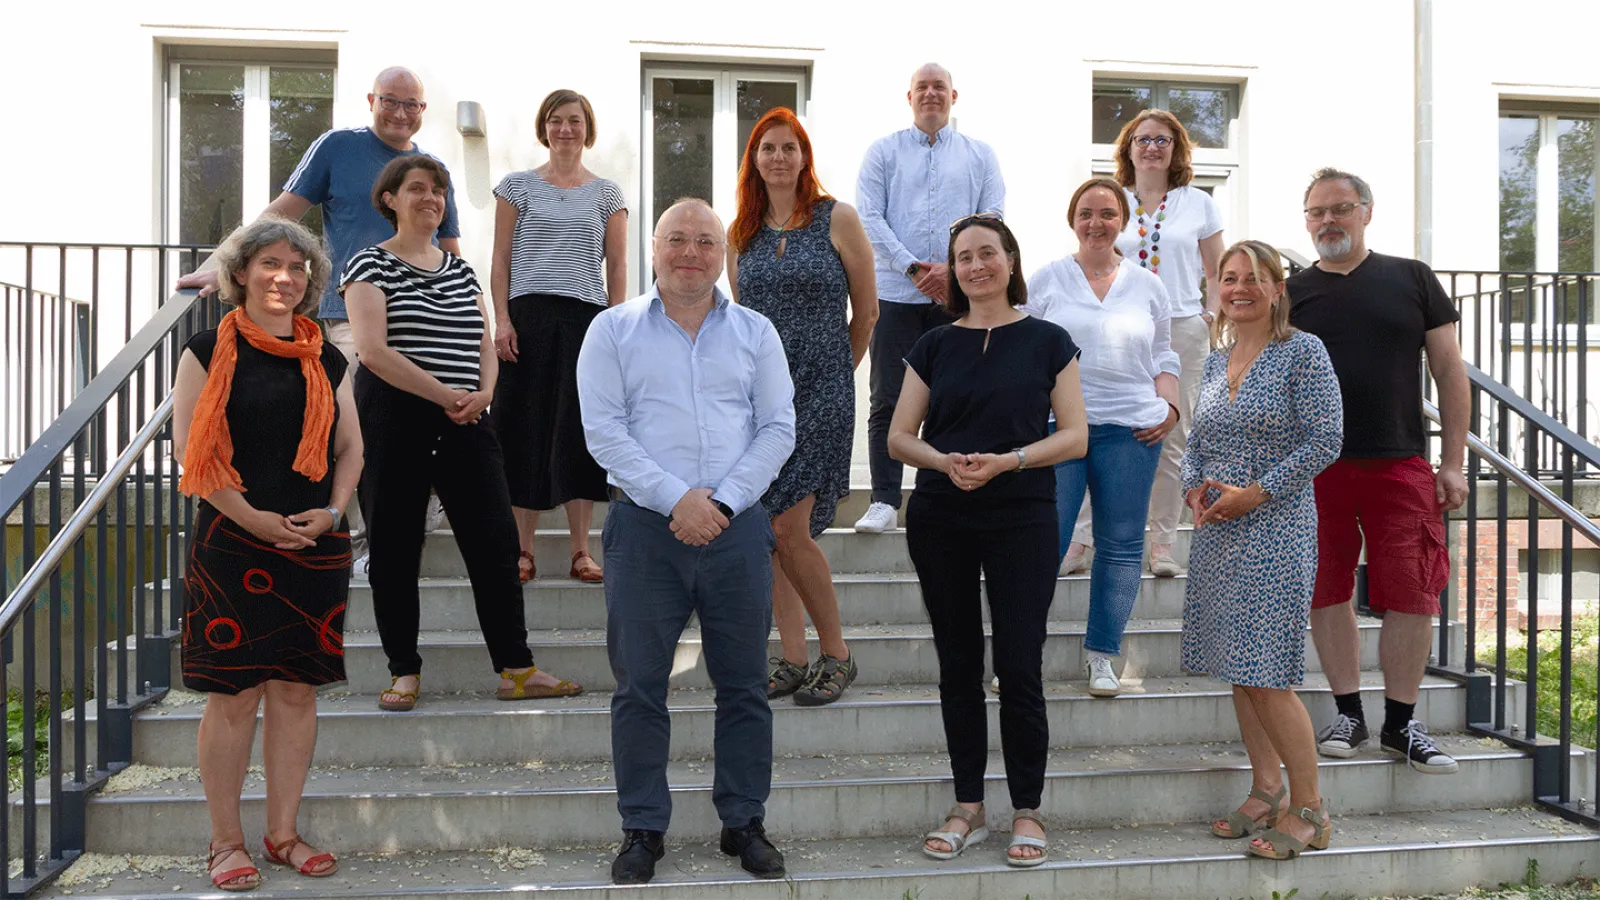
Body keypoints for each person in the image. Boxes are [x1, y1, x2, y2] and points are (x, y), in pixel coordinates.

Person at [577, 199, 796, 885]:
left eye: (705, 241)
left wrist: (722, 502)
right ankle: (643, 827)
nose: (691, 253)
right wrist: (679, 500)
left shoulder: (757, 333)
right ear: (653, 249)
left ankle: (743, 821)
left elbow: (778, 429)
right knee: (640, 687)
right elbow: (605, 432)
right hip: (645, 532)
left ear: (722, 254)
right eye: (676, 239)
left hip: (737, 530)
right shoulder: (610, 331)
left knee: (744, 687)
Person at [176, 65, 463, 561]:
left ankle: (418, 508)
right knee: (364, 426)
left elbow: (450, 247)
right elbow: (282, 211)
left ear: (422, 113)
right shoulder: (338, 148)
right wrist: (221, 263)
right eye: (390, 101)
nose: (400, 113)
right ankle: (365, 534)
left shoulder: (432, 171)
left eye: (411, 105)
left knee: (420, 415)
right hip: (353, 313)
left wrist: (463, 311)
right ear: (371, 100)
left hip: (419, 314)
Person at [342, 155, 581, 713]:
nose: (431, 198)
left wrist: (486, 392)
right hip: (395, 421)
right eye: (418, 188)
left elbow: (484, 341)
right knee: (395, 548)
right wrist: (445, 395)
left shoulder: (461, 270)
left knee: (496, 547)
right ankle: (404, 671)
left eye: (439, 190)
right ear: (390, 200)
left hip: (468, 420)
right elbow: (374, 353)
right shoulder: (368, 266)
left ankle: (516, 668)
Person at [889, 214, 1087, 867]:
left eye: (987, 253)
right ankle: (968, 805)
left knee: (1020, 665)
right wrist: (944, 462)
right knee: (958, 665)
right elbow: (899, 437)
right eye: (964, 257)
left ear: (1010, 259)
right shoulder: (934, 344)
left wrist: (1010, 461)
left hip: (1024, 510)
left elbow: (1076, 436)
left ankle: (1026, 809)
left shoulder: (1049, 340)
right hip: (942, 510)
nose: (976, 266)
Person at [173, 217, 362, 891]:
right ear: (242, 273)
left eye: (298, 266)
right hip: (231, 543)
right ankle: (226, 842)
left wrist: (334, 511)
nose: (285, 276)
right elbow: (188, 452)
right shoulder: (204, 350)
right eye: (271, 264)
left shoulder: (327, 356)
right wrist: (253, 518)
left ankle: (282, 834)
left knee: (296, 692)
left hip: (313, 547)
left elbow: (351, 449)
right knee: (233, 695)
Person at [1288, 168, 1469, 773]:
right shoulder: (1291, 291)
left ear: (1367, 211)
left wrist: (1454, 461)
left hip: (1401, 460)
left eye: (1340, 208)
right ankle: (1348, 713)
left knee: (1414, 591)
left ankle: (1401, 723)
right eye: (1316, 212)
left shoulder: (1411, 278)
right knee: (1327, 588)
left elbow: (1448, 371)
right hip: (1316, 466)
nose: (1327, 221)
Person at [1181, 240, 1343, 860]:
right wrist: (1196, 486)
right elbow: (1198, 439)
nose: (1239, 287)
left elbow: (1326, 439)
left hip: (1275, 526)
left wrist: (1259, 492)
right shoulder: (1218, 358)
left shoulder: (1303, 352)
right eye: (1229, 277)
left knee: (1268, 673)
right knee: (1239, 671)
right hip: (1220, 528)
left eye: (1253, 278)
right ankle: (1265, 789)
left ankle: (1310, 810)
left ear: (1277, 288)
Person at [727, 107, 877, 706]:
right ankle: (791, 657)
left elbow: (866, 311)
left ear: (804, 156)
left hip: (822, 393)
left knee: (791, 527)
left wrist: (840, 374)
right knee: (767, 530)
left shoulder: (836, 217)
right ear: (755, 159)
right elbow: (741, 322)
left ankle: (837, 654)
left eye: (790, 147)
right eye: (768, 148)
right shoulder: (742, 233)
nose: (779, 157)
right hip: (760, 399)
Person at [1025, 176, 1181, 698]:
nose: (1096, 223)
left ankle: (1101, 656)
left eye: (1107, 214)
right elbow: (1025, 353)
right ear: (1073, 220)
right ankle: (1019, 657)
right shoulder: (1047, 279)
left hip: (1133, 428)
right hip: (1060, 430)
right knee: (1042, 541)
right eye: (1086, 213)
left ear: (1125, 222)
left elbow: (1164, 353)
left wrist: (1172, 404)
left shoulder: (1147, 284)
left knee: (1119, 546)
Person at [1062, 110, 1224, 578]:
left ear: (1177, 148)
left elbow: (1215, 270)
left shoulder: (1199, 203)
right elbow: (1091, 255)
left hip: (1180, 326)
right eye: (1142, 139)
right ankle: (1081, 540)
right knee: (1101, 428)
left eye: (1163, 139)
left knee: (1172, 435)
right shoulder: (1112, 200)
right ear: (1128, 147)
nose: (1152, 147)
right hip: (1117, 327)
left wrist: (1208, 316)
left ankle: (1162, 544)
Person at [853, 62, 1005, 534]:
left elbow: (993, 215)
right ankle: (884, 500)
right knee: (888, 399)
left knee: (957, 397)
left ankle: (945, 489)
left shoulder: (979, 155)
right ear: (910, 97)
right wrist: (915, 268)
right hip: (896, 296)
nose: (931, 94)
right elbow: (869, 218)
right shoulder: (883, 152)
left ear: (954, 97)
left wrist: (951, 270)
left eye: (940, 87)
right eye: (923, 87)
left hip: (957, 300)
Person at [491, 88, 626, 585]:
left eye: (574, 120)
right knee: (523, 426)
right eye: (555, 120)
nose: (565, 129)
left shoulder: (608, 194)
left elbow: (617, 265)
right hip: (526, 318)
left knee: (577, 429)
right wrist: (501, 320)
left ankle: (580, 552)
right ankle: (522, 551)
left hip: (586, 321)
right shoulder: (516, 187)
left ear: (587, 129)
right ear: (543, 127)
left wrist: (615, 328)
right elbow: (500, 259)